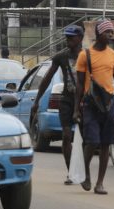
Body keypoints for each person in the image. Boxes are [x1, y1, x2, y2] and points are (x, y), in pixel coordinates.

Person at [73, 20, 114, 195]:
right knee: (92, 141)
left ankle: (100, 183)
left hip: (109, 104)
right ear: (98, 34)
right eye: (107, 32)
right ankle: (86, 173)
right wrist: (76, 109)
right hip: (90, 104)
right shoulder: (84, 55)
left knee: (105, 144)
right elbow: (79, 84)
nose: (110, 35)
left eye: (111, 32)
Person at [31, 25, 84, 185]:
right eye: (66, 37)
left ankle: (84, 173)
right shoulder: (61, 57)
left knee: (88, 140)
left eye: (71, 37)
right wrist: (38, 100)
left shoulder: (88, 56)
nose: (68, 40)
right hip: (67, 100)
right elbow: (47, 78)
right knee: (67, 136)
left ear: (80, 39)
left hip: (84, 100)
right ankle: (71, 173)